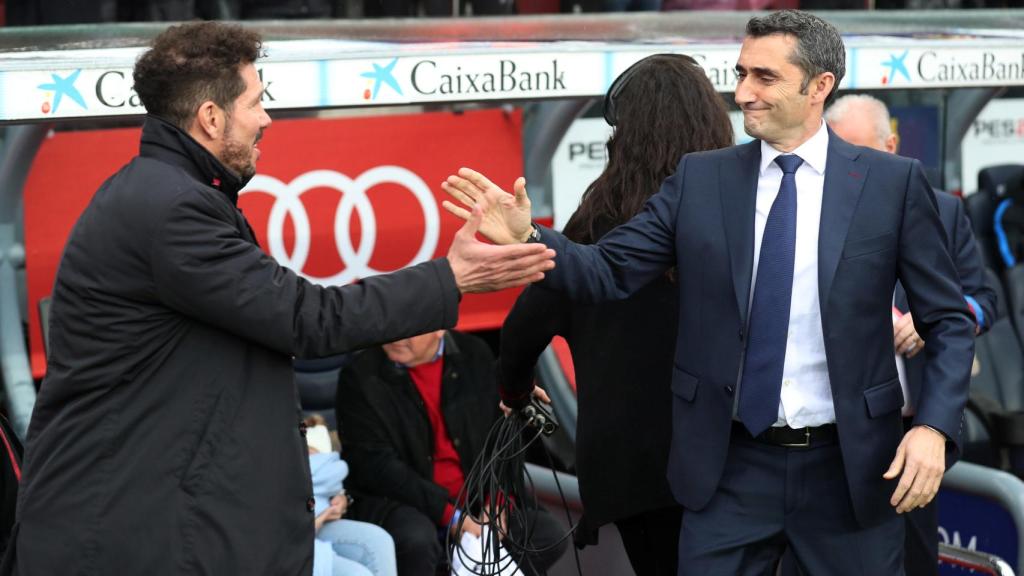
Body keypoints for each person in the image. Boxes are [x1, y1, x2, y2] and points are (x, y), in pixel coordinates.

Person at [1, 21, 555, 576]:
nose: (266, 118)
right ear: (212, 118)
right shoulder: (172, 210)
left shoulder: (172, 195)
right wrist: (450, 278)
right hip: (136, 535)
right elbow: (306, 319)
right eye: (256, 102)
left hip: (150, 525)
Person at [442, 10, 975, 575]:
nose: (743, 92)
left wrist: (933, 428)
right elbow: (606, 271)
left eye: (764, 77)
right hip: (731, 472)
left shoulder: (891, 183)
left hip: (851, 471)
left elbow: (948, 320)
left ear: (820, 86)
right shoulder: (701, 179)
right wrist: (528, 236)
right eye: (741, 73)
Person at [499, 53, 733, 576]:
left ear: (623, 133)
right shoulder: (734, 213)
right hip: (728, 458)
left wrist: (515, 394)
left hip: (631, 470)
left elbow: (520, 334)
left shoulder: (590, 229)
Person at [824, 93, 997, 576]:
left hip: (915, 427)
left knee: (915, 556)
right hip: (837, 427)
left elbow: (983, 301)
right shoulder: (814, 211)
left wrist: (931, 319)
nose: (850, 165)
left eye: (861, 149)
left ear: (892, 144)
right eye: (839, 152)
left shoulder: (942, 210)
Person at [335, 329, 568, 576]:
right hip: (406, 501)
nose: (396, 337)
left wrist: (497, 503)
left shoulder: (474, 353)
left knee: (547, 534)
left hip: (475, 498)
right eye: (392, 325)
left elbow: (500, 439)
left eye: (409, 329)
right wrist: (452, 517)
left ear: (439, 328)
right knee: (416, 540)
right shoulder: (360, 375)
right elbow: (377, 467)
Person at [306, 417, 398, 576]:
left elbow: (330, 485)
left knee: (379, 541)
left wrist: (341, 499)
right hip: (293, 532)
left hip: (316, 521)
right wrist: (321, 516)